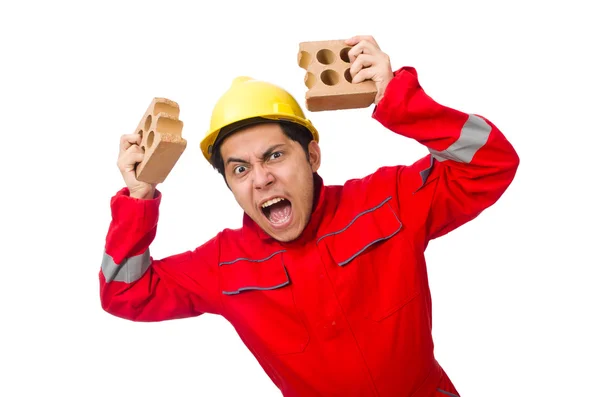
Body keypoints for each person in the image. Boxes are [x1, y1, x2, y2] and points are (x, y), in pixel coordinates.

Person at [100, 35, 519, 397]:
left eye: (275, 156)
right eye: (240, 169)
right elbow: (124, 292)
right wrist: (139, 196)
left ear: (312, 156)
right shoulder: (223, 265)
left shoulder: (388, 200)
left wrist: (398, 100)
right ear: (230, 185)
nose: (261, 179)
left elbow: (490, 164)